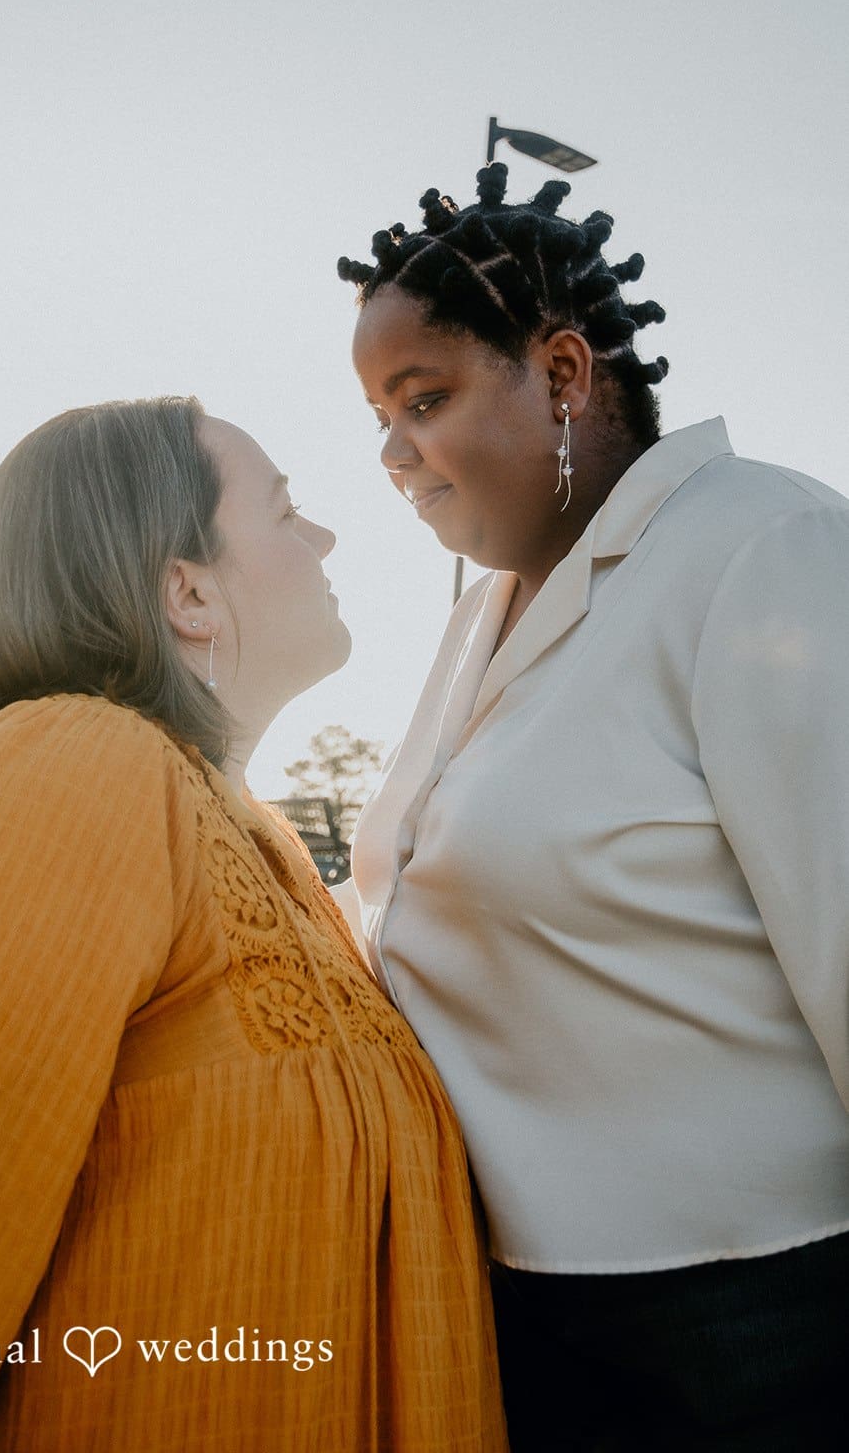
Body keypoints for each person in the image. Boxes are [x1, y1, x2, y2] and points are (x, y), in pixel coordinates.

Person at [0, 398, 502, 1453]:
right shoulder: (74, 765)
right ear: (187, 590)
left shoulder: (263, 846)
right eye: (286, 509)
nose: (325, 535)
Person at [337, 165, 849, 1453]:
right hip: (520, 1314)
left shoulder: (764, 544)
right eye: (379, 416)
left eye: (425, 398)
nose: (393, 452)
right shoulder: (476, 619)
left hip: (761, 1329)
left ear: (563, 374)